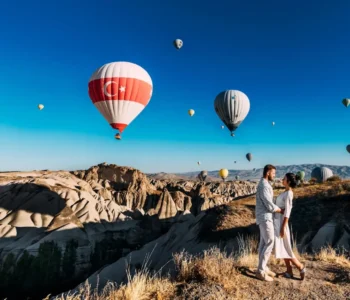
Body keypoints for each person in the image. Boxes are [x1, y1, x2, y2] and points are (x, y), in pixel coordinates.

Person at [274, 173, 306, 280]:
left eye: (284, 179)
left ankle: (300, 267)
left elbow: (287, 212)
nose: (282, 180)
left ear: (288, 182)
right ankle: (289, 271)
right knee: (283, 247)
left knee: (286, 248)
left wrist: (283, 227)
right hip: (278, 222)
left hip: (281, 223)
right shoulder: (286, 192)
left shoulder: (288, 194)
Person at [255, 164, 284, 281]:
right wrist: (280, 210)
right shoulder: (264, 186)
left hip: (264, 217)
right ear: (268, 172)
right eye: (273, 173)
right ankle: (260, 271)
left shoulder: (265, 184)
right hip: (265, 217)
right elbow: (269, 205)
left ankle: (263, 267)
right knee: (270, 241)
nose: (274, 175)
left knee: (263, 242)